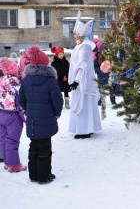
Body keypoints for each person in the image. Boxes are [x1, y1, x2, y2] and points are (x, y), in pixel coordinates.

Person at [19, 46, 63, 184]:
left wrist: (28, 110)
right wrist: (56, 113)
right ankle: (44, 176)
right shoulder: (50, 80)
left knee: (34, 146)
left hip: (32, 119)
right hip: (46, 118)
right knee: (45, 147)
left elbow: (21, 99)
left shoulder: (26, 80)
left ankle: (33, 175)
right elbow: (57, 100)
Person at [68, 12, 101, 139]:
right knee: (86, 104)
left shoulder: (84, 47)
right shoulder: (81, 46)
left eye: (76, 33)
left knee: (84, 105)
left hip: (83, 82)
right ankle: (87, 128)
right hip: (83, 81)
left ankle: (84, 130)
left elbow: (82, 65)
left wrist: (76, 80)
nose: (74, 35)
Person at [0, 58, 26, 173]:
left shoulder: (1, 80)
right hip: (13, 115)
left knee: (3, 139)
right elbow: (19, 101)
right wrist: (24, 117)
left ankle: (7, 162)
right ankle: (14, 165)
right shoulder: (16, 83)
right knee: (12, 140)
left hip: (1, 114)